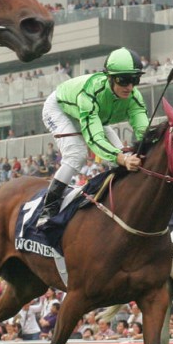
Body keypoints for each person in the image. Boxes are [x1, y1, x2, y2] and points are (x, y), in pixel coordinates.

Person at [36, 48, 148, 228]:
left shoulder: (134, 97)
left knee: (121, 153)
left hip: (94, 113)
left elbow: (144, 132)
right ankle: (48, 208)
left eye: (135, 80)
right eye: (124, 80)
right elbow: (94, 139)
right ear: (110, 78)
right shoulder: (90, 94)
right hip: (60, 109)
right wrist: (121, 158)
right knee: (77, 155)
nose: (129, 87)